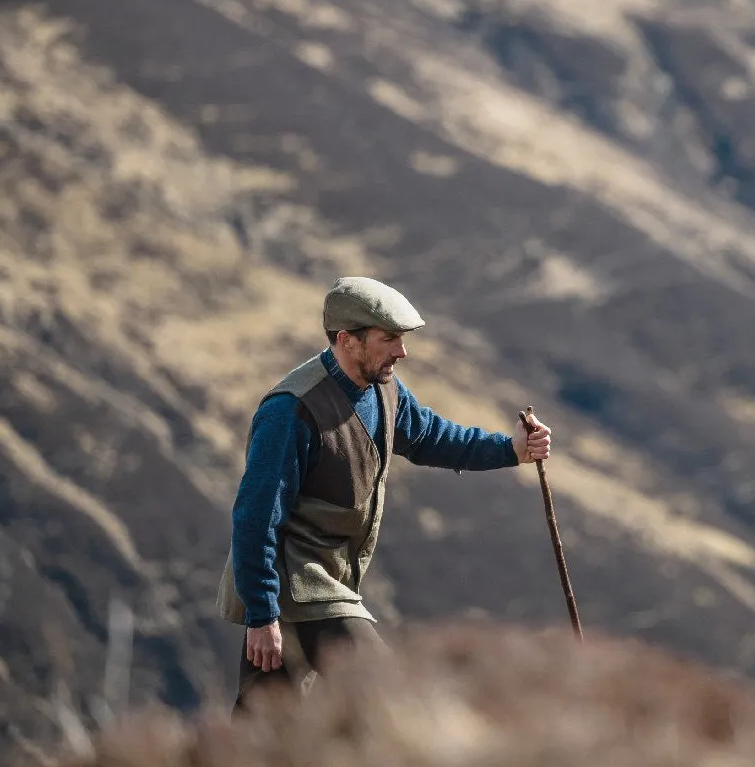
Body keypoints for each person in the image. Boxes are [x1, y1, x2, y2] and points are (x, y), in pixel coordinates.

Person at [216, 275, 552, 707]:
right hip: (297, 586)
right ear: (346, 340)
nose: (402, 351)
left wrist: (510, 449)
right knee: (386, 689)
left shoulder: (383, 389)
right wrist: (262, 614)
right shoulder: (290, 411)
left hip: (324, 582)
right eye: (389, 338)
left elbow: (432, 436)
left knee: (263, 723)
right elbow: (255, 517)